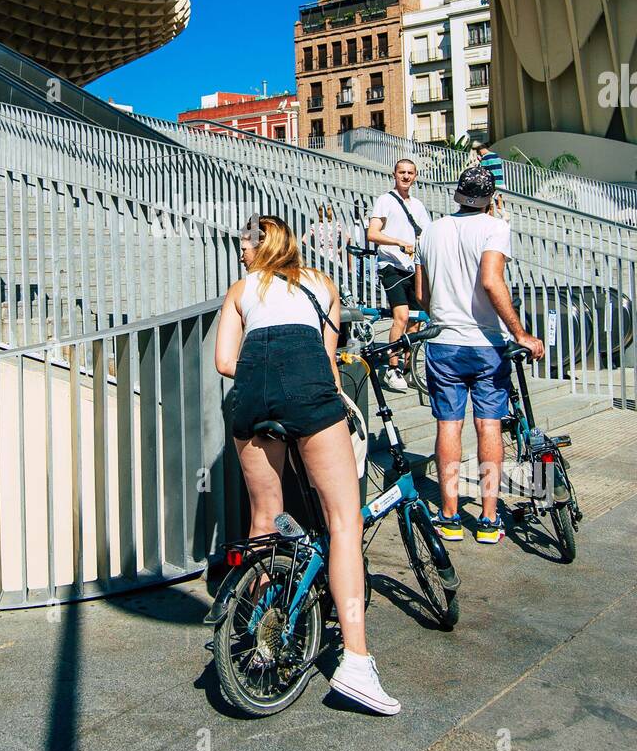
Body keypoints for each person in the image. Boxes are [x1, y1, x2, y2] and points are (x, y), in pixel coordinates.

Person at [214, 213, 400, 714]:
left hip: (252, 395)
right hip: (307, 388)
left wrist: (264, 375)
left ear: (261, 246)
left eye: (244, 244)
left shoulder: (240, 290)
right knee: (344, 520)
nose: (241, 253)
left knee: (263, 515)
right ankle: (356, 664)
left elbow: (225, 362)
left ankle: (256, 625)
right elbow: (326, 357)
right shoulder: (321, 284)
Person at [415, 167, 545, 545]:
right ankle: (488, 519)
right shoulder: (495, 227)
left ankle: (450, 515)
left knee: (448, 426)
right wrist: (520, 333)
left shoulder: (431, 231)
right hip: (486, 343)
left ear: (457, 195)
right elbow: (491, 281)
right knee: (488, 426)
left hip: (443, 343)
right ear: (490, 199)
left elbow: (421, 295)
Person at [366, 160, 431, 392]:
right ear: (394, 174)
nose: (405, 176)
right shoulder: (385, 200)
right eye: (402, 172)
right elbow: (373, 233)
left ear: (415, 176)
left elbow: (426, 236)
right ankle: (392, 368)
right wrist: (398, 243)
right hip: (391, 265)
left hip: (412, 267)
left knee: (416, 321)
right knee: (401, 316)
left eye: (410, 173)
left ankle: (408, 368)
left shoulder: (418, 206)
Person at [474, 144, 506, 216]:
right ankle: (504, 217)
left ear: (481, 150)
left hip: (492, 184)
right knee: (499, 205)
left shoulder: (485, 158)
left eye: (479, 152)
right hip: (500, 182)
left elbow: (483, 172)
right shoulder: (496, 155)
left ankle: (491, 220)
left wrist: (480, 161)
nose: (480, 154)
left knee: (490, 205)